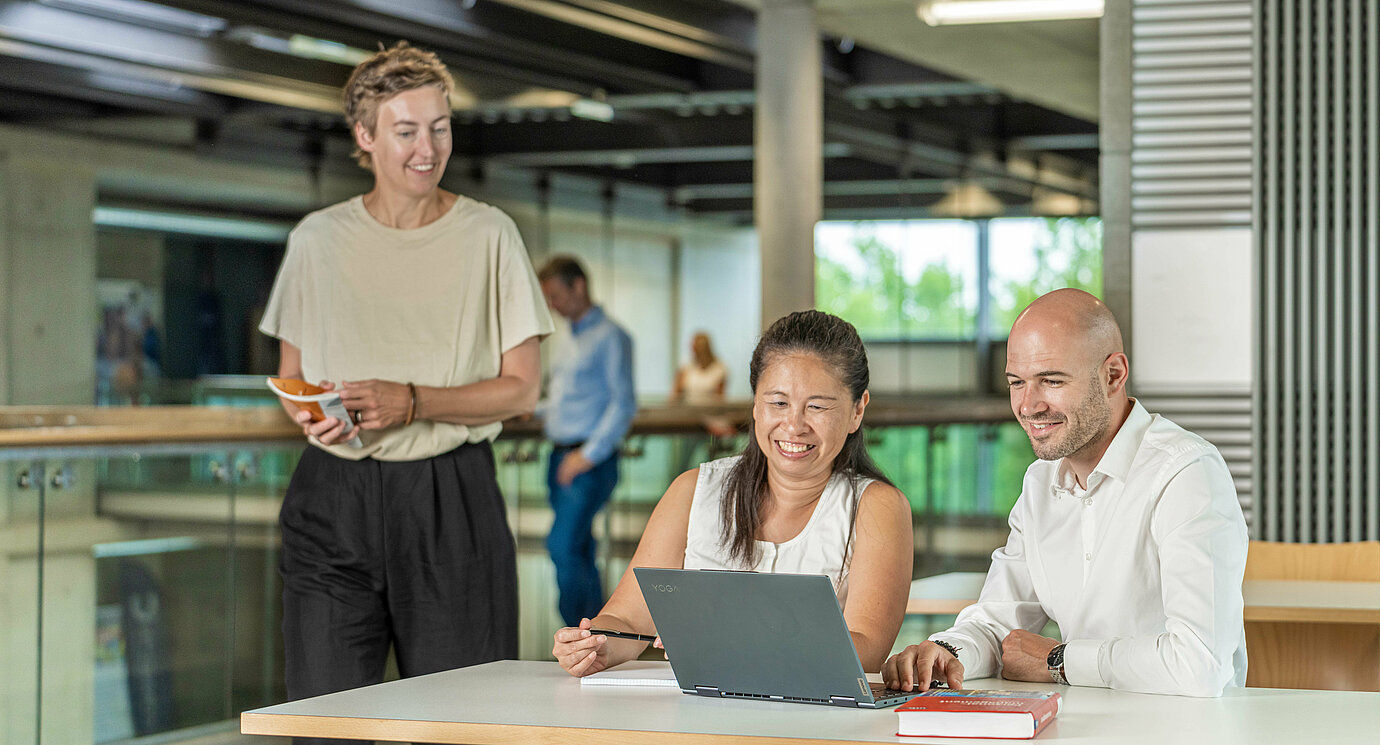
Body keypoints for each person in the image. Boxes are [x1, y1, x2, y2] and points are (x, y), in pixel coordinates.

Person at [257, 42, 552, 744]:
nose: (429, 148)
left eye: (440, 127)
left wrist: (413, 401)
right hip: (331, 498)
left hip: (450, 497)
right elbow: (292, 375)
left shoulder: (490, 235)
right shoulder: (316, 240)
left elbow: (521, 389)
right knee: (325, 726)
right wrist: (310, 415)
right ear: (365, 136)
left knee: (467, 722)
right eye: (407, 130)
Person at [881, 289, 1248, 698]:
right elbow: (998, 621)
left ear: (1113, 375)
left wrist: (1059, 660)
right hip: (1080, 722)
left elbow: (1200, 664)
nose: (1028, 405)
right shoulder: (1040, 483)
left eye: (1051, 381)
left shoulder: (1186, 472)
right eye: (1017, 383)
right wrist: (946, 651)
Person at [552, 310, 914, 676]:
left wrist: (730, 636)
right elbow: (628, 620)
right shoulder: (692, 491)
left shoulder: (878, 507)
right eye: (778, 403)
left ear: (857, 410)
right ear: (756, 404)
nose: (794, 425)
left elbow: (866, 647)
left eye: (817, 406)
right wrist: (596, 645)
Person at [537, 256, 638, 627]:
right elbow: (567, 398)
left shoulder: (611, 336)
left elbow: (623, 404)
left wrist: (587, 455)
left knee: (561, 547)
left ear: (578, 286)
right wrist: (530, 409)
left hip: (587, 461)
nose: (553, 306)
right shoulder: (568, 338)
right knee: (579, 549)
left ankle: (575, 633)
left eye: (555, 295)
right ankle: (596, 636)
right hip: (559, 456)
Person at [672, 331, 728, 403]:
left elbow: (720, 399)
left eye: (697, 348)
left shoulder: (719, 369)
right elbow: (675, 395)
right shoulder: (686, 367)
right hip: (687, 410)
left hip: (710, 411)